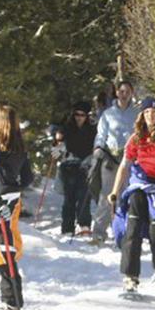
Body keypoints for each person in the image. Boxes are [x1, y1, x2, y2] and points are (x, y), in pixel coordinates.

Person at [108, 97, 155, 292]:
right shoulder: (135, 138)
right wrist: (115, 191)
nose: (151, 115)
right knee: (132, 227)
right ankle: (130, 276)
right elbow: (124, 166)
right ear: (142, 115)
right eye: (147, 112)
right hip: (139, 186)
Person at [0, 105, 34, 310]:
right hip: (13, 198)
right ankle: (5, 293)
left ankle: (9, 299)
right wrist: (16, 188)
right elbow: (28, 177)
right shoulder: (20, 147)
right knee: (5, 245)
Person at [90, 80, 140, 243]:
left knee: (126, 196)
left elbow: (142, 134)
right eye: (121, 91)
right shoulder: (108, 114)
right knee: (107, 195)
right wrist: (98, 147)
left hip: (130, 158)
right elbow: (101, 134)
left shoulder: (137, 113)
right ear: (117, 93)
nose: (124, 95)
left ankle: (123, 231)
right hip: (110, 158)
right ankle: (99, 233)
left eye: (127, 92)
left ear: (132, 93)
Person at [52, 101, 97, 236]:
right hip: (69, 166)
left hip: (85, 166)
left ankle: (84, 225)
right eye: (77, 114)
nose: (79, 117)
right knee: (69, 198)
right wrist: (58, 146)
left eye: (82, 115)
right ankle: (67, 228)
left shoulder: (92, 129)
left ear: (87, 116)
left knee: (84, 196)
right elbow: (58, 142)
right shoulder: (67, 128)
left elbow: (96, 146)